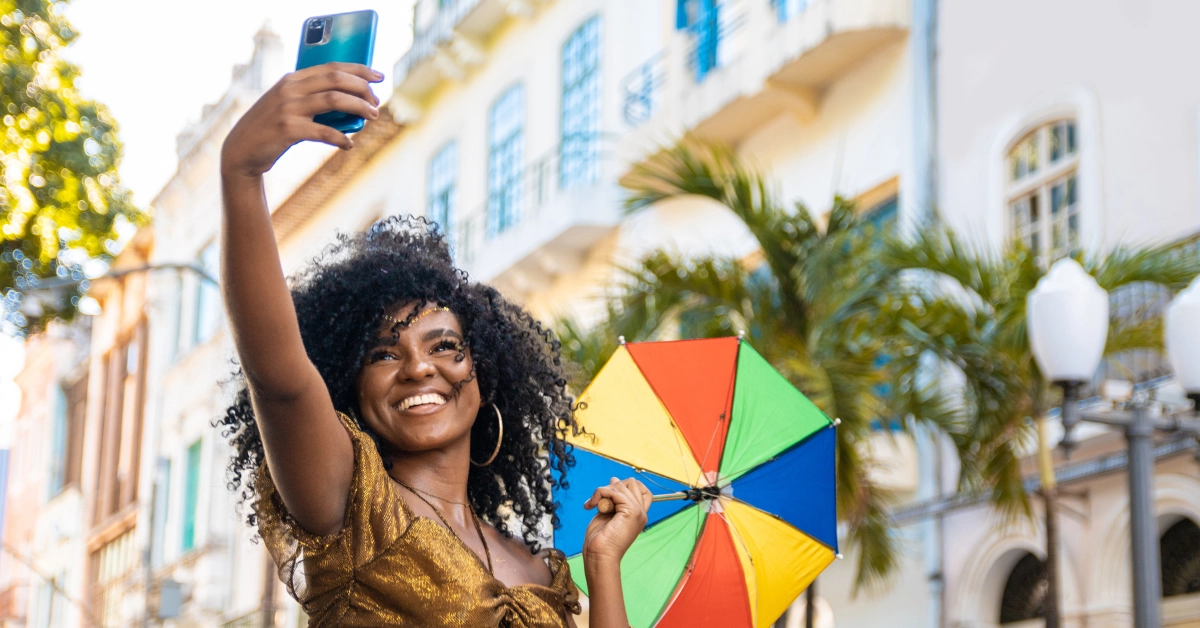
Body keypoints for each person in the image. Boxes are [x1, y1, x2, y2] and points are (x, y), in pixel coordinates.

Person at [215, 62, 651, 627]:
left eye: (445, 346)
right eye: (384, 353)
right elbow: (280, 383)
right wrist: (241, 171)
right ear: (349, 385)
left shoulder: (540, 568)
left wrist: (603, 561)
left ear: (483, 373)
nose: (420, 367)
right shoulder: (352, 505)